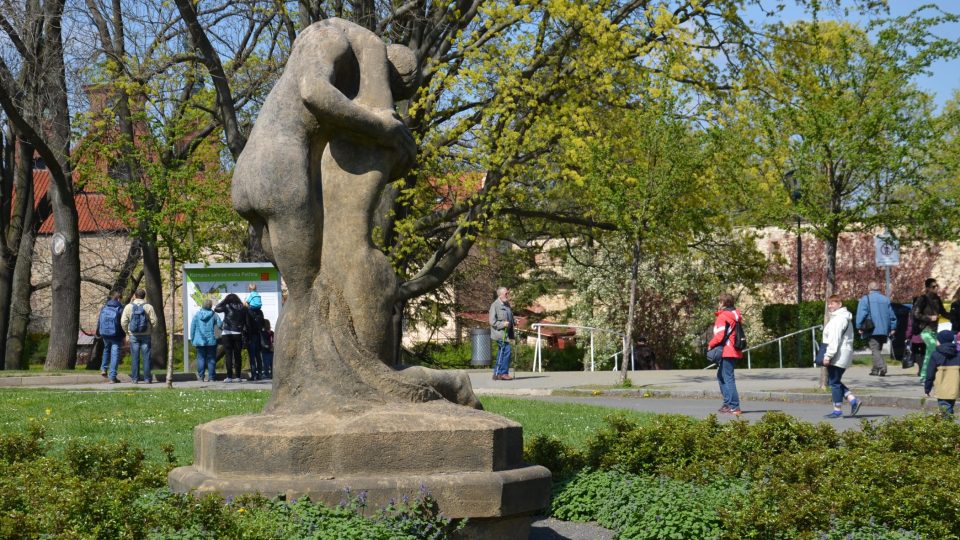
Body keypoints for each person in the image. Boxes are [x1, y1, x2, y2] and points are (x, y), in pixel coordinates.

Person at [821, 294, 862, 418]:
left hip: (838, 355)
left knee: (834, 383)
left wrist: (828, 356)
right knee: (835, 380)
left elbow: (834, 340)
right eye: (829, 303)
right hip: (844, 353)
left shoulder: (838, 319)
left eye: (833, 303)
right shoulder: (844, 318)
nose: (830, 305)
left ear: (840, 304)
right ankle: (852, 400)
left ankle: (837, 409)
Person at [709, 292, 744, 416]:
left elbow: (719, 336)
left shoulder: (723, 316)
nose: (718, 304)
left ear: (723, 303)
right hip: (734, 349)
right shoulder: (736, 315)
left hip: (727, 350)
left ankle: (734, 406)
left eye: (720, 301)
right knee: (722, 376)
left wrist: (710, 345)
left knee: (728, 378)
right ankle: (728, 403)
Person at [855, 282, 897, 376]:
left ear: (869, 288)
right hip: (884, 329)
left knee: (875, 349)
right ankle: (875, 370)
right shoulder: (886, 299)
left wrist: (859, 326)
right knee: (877, 349)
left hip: (872, 328)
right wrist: (893, 327)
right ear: (879, 289)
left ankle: (882, 367)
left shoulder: (865, 299)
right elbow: (892, 315)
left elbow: (861, 314)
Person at [912, 278, 948, 378]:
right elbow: (915, 314)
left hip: (934, 330)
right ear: (927, 288)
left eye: (937, 286)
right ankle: (925, 375)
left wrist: (954, 317)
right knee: (932, 348)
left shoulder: (937, 299)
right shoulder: (922, 299)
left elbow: (944, 312)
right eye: (933, 286)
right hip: (924, 329)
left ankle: (927, 374)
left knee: (931, 351)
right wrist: (929, 318)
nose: (936, 288)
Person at [121, 288, 158, 383]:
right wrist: (151, 330)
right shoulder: (149, 307)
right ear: (144, 296)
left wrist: (127, 332)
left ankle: (135, 379)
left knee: (135, 357)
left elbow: (123, 322)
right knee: (146, 357)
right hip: (146, 334)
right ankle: (147, 379)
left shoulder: (128, 307)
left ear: (135, 296)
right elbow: (154, 321)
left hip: (134, 335)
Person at [923, 330, 960, 415]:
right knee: (949, 407)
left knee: (945, 410)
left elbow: (930, 374)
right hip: (955, 387)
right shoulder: (958, 354)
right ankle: (949, 425)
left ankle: (947, 427)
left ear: (940, 341)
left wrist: (927, 388)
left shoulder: (935, 355)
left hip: (942, 388)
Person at [215, 293, 247, 382]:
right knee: (237, 355)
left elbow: (216, 308)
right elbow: (245, 320)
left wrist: (224, 301)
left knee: (228, 355)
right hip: (238, 332)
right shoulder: (243, 307)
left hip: (227, 332)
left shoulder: (227, 305)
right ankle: (238, 377)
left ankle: (229, 377)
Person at [96, 291, 125, 384]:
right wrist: (124, 335)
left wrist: (99, 332)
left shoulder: (105, 307)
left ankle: (104, 369)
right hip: (116, 335)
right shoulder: (120, 308)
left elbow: (99, 321)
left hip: (105, 333)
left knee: (106, 349)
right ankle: (112, 377)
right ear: (119, 298)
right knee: (115, 354)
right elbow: (122, 323)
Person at [190, 299, 222, 382]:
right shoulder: (214, 315)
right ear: (211, 306)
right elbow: (220, 324)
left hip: (199, 340)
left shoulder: (197, 315)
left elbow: (192, 328)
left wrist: (192, 338)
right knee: (211, 359)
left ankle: (201, 377)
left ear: (202, 305)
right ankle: (211, 377)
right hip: (211, 340)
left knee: (201, 358)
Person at [489, 286, 515, 381]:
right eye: (506, 294)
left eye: (507, 293)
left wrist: (515, 321)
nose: (507, 295)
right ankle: (503, 373)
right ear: (500, 295)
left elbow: (510, 317)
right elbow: (492, 321)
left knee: (502, 352)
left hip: (507, 334)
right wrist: (502, 324)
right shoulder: (495, 305)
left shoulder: (506, 304)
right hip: (499, 334)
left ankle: (498, 373)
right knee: (506, 351)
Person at [245, 301, 266, 380]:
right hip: (258, 335)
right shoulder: (260, 312)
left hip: (251, 336)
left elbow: (247, 324)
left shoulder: (248, 312)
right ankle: (260, 374)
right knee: (258, 356)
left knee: (252, 356)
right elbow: (263, 323)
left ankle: (253, 375)